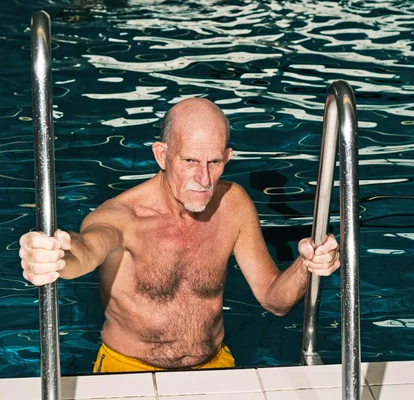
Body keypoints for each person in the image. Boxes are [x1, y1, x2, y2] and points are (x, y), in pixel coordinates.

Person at [19, 98, 340, 373]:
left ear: (227, 158)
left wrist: (307, 264)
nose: (203, 178)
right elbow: (86, 250)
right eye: (189, 161)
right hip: (127, 369)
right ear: (161, 155)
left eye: (214, 162)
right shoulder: (123, 216)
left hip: (214, 364)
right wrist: (55, 255)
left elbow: (274, 301)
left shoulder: (233, 205)